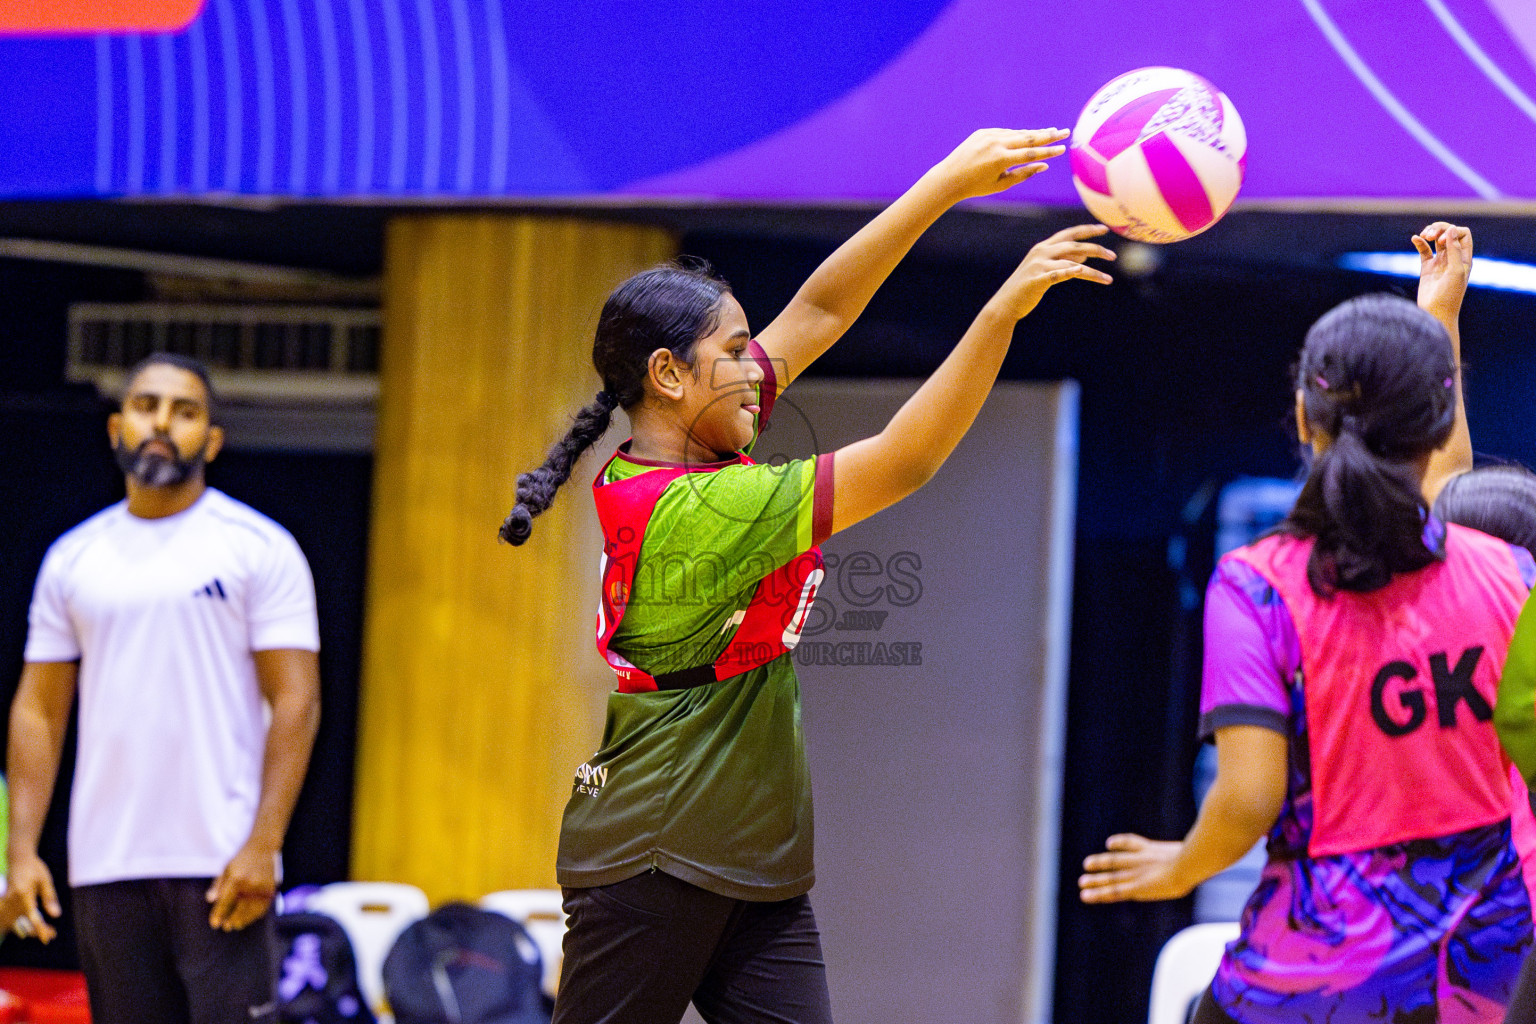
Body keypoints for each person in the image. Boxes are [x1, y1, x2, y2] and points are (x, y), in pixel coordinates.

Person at [501, 128, 1114, 1024]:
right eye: (736, 351)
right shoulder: (691, 507)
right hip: (656, 853)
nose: (757, 369)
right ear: (668, 375)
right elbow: (904, 460)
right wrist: (1000, 316)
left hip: (754, 857)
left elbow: (821, 311)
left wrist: (943, 182)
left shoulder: (699, 442)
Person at [1078, 274, 1534, 1021]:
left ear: (1301, 415)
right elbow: (1444, 494)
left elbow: (1248, 799)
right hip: (1490, 969)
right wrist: (1437, 322)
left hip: (1322, 975)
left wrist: (1183, 866)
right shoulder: (1513, 574)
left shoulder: (1258, 587)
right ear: (1441, 417)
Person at [2, 353, 322, 1024]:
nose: (162, 423)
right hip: (105, 865)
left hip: (223, 863)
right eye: (146, 406)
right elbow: (38, 711)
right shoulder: (72, 558)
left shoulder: (259, 547)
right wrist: (22, 851)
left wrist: (263, 844)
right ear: (116, 426)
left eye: (185, 411)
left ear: (213, 440)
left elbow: (297, 701)